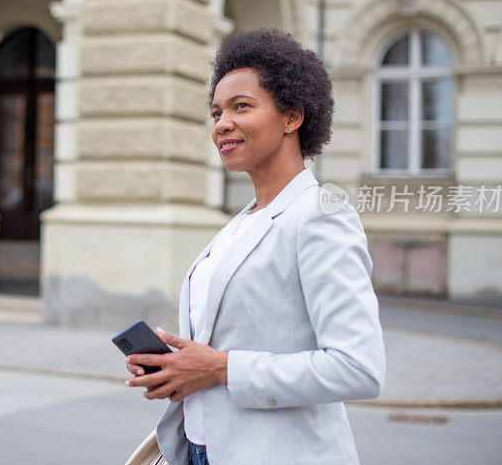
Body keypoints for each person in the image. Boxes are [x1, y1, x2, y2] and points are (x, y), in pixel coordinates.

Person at [124, 28, 386, 464]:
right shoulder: (239, 224)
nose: (222, 124)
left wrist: (219, 367)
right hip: (199, 451)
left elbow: (358, 368)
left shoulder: (321, 214)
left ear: (292, 116)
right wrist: (174, 367)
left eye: (241, 107)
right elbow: (228, 341)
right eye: (216, 112)